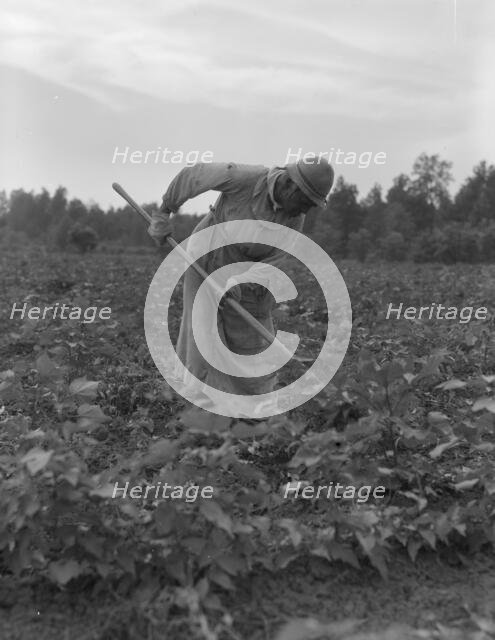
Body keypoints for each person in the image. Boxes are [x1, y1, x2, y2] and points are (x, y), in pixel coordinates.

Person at [148, 156, 334, 410]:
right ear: (290, 185)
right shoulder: (243, 178)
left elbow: (276, 259)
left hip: (251, 270)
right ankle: (197, 403)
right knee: (201, 329)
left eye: (310, 206)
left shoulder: (294, 218)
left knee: (251, 336)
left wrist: (241, 282)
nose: (305, 210)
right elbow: (192, 176)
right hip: (209, 253)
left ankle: (253, 402)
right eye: (304, 202)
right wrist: (163, 213)